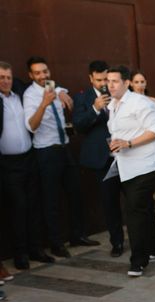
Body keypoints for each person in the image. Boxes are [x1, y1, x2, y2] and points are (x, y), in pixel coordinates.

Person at [23, 56, 99, 258]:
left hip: (64, 147)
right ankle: (56, 243)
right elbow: (31, 126)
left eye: (45, 71)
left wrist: (60, 92)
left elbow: (58, 90)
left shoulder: (54, 88)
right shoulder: (30, 95)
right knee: (51, 199)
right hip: (46, 152)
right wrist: (44, 104)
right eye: (37, 73)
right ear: (31, 75)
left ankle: (77, 235)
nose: (42, 76)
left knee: (75, 194)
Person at [106, 65, 155, 277]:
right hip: (126, 166)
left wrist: (129, 143)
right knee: (144, 208)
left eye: (114, 81)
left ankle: (138, 262)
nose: (110, 85)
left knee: (133, 210)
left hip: (149, 164)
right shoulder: (113, 105)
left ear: (126, 83)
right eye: (108, 81)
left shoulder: (139, 102)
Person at [0, 61, 53, 269]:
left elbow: (44, 83)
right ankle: (20, 254)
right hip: (7, 164)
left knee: (33, 206)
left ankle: (36, 250)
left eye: (8, 77)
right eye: (1, 77)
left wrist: (62, 91)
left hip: (29, 159)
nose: (5, 81)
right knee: (18, 208)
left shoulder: (18, 94)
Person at [72, 60, 125, 257]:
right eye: (99, 79)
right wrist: (94, 108)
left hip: (126, 155)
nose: (104, 83)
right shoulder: (83, 98)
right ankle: (117, 242)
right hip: (102, 160)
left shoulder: (118, 93)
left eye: (106, 79)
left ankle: (141, 240)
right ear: (90, 78)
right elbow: (79, 125)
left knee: (134, 201)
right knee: (110, 203)